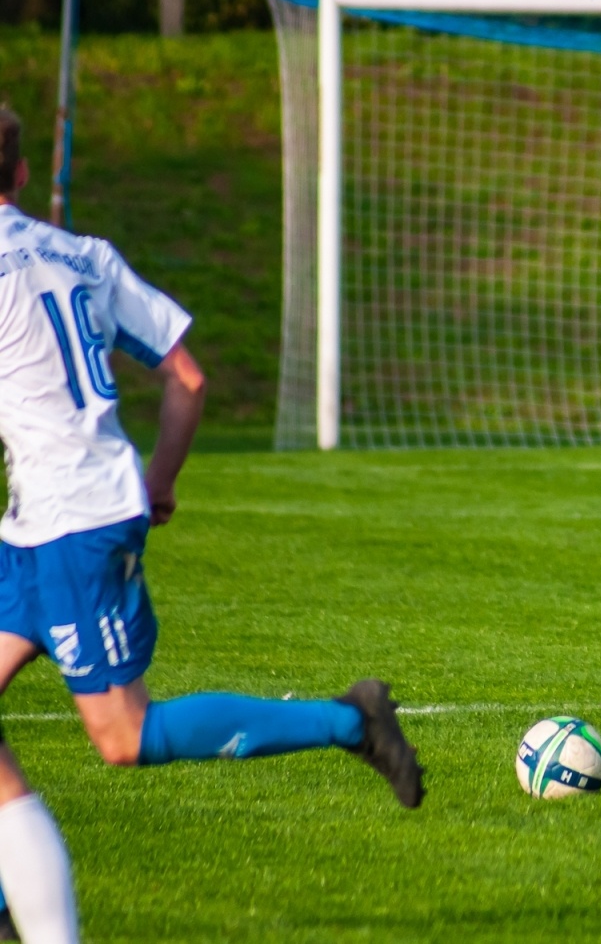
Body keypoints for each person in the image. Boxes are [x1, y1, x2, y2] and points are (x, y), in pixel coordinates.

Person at [0, 109, 423, 944]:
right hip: (59, 511)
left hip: (72, 521)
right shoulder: (81, 255)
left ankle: (352, 721)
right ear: (16, 174)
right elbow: (187, 375)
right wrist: (158, 480)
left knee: (122, 737)